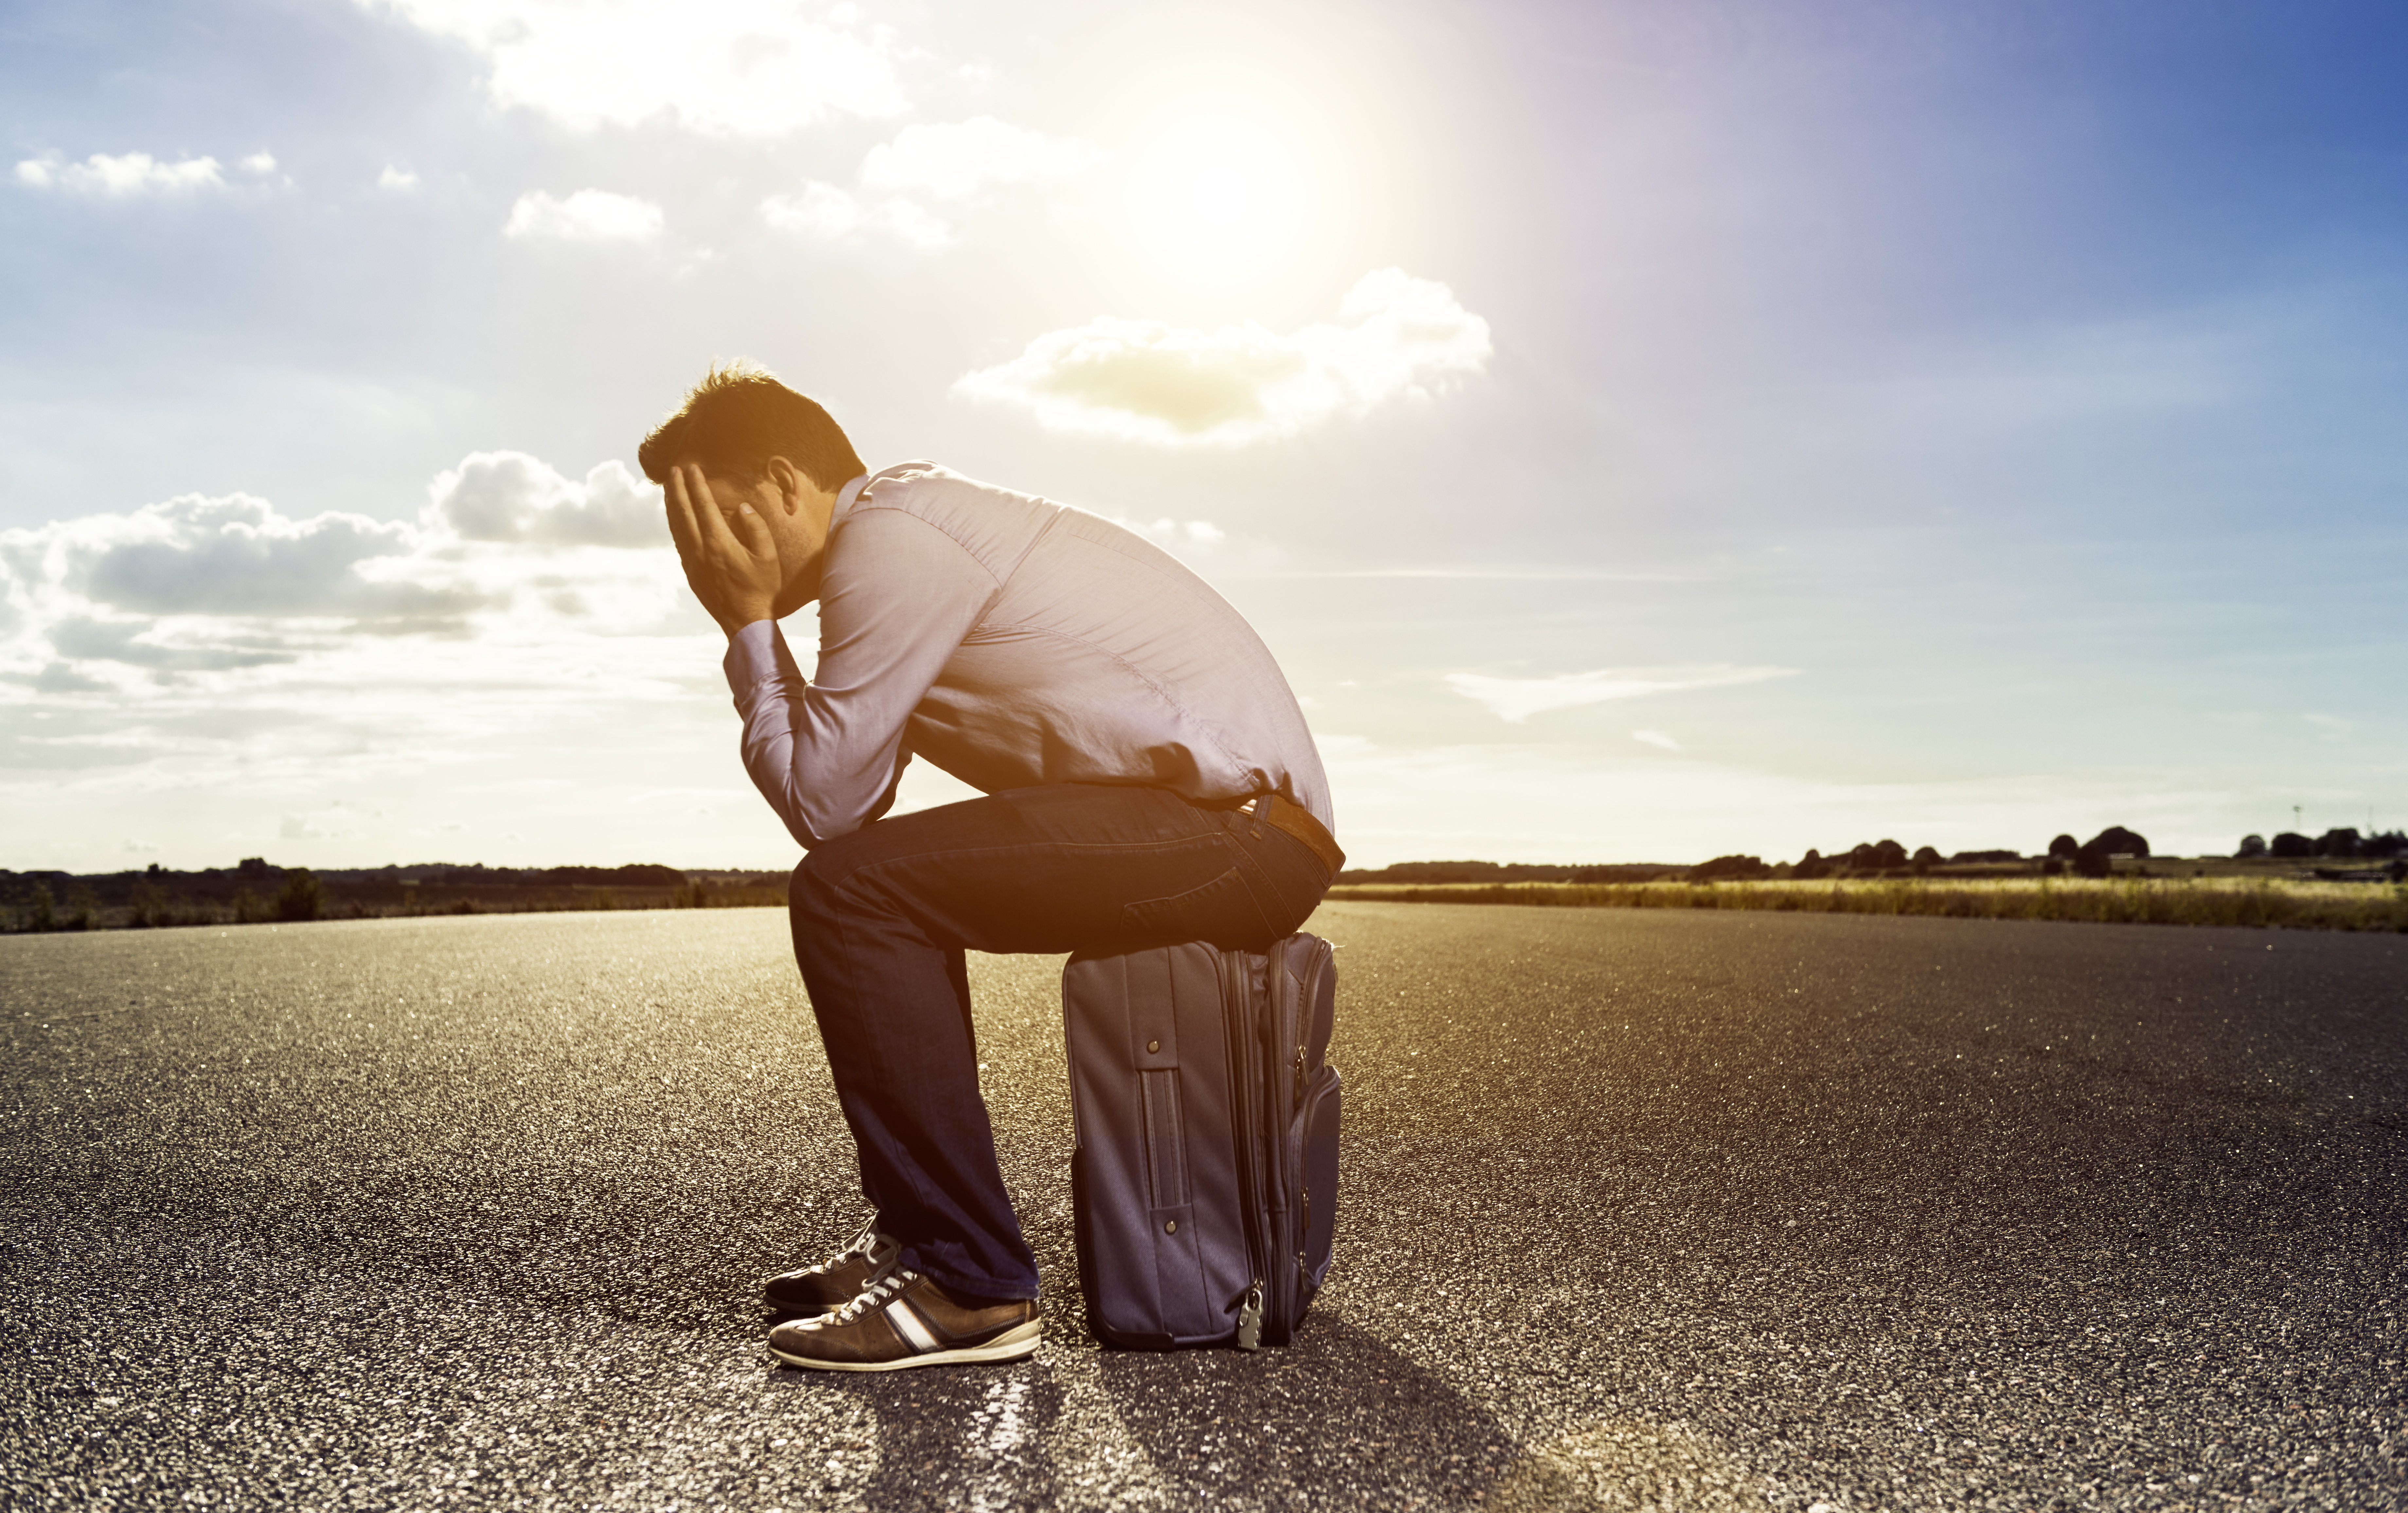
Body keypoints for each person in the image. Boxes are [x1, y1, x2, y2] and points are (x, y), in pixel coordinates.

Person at [641, 365, 1342, 1372]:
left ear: (785, 484)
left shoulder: (891, 537)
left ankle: (968, 1284)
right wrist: (762, 630)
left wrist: (748, 626)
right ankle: (924, 1242)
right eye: (685, 532)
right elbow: (850, 797)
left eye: (712, 516)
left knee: (852, 895)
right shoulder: (900, 540)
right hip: (1223, 824)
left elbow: (826, 809)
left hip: (1238, 832)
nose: (700, 552)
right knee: (870, 883)